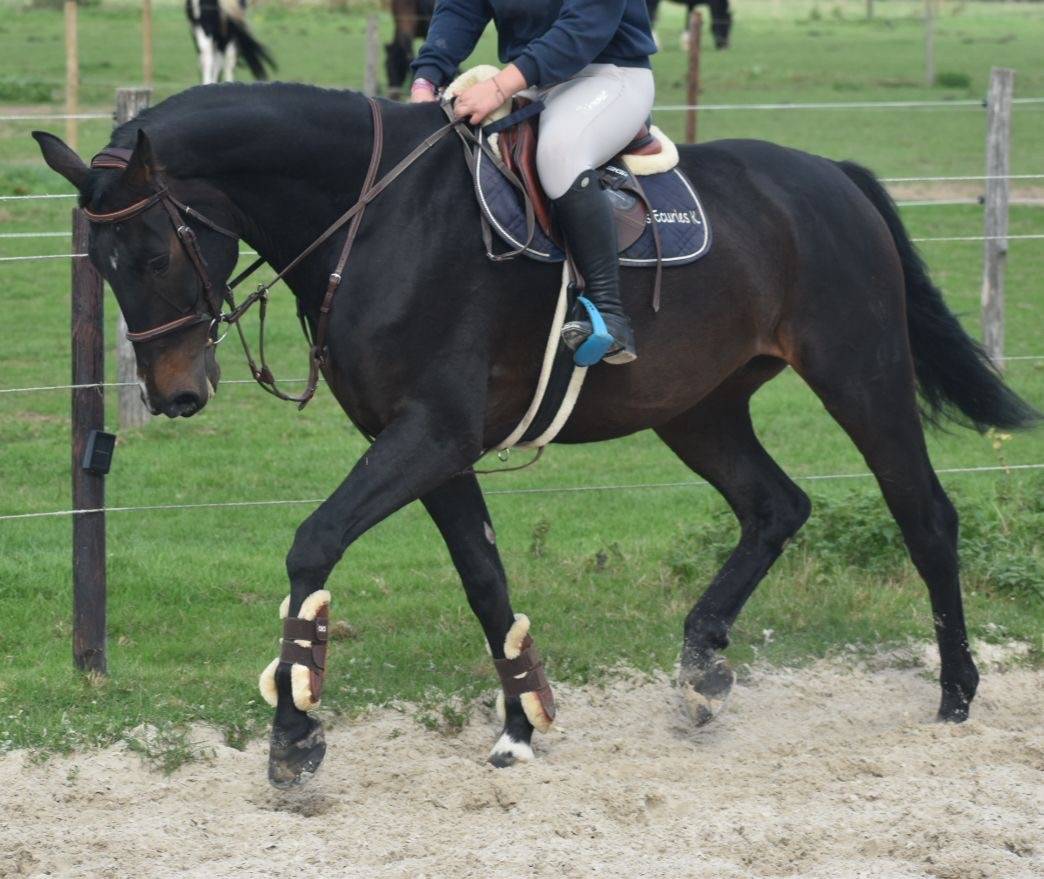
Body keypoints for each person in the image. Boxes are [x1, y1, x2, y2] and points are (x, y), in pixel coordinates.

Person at [410, 0, 657, 364]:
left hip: (607, 74)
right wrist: (426, 79)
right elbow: (462, 8)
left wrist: (499, 87)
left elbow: (586, 23)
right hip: (531, 81)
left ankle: (609, 312)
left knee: (561, 151)